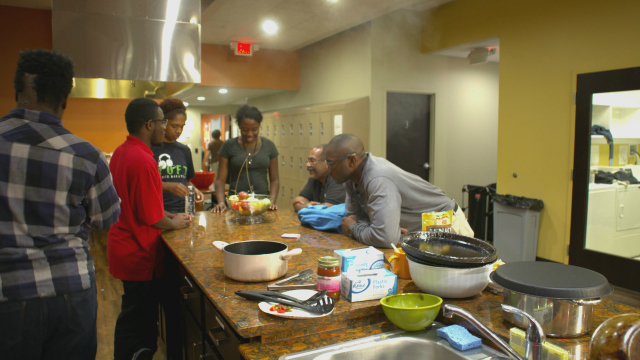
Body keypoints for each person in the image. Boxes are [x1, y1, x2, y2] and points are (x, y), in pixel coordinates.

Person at [0, 49, 121, 359]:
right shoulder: (86, 155)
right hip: (71, 289)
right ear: (65, 100)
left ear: (17, 90)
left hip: (8, 293)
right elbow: (106, 217)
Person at [108, 98, 192, 360]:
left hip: (124, 246)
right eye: (162, 122)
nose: (165, 127)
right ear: (149, 124)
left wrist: (166, 213)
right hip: (138, 252)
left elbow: (139, 202)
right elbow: (151, 218)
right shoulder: (144, 160)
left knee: (132, 316)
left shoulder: (123, 151)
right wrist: (173, 222)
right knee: (140, 326)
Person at [324, 134, 473, 248]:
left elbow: (383, 237)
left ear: (351, 161)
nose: (327, 168)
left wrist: (354, 229)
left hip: (446, 225)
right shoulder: (351, 180)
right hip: (417, 234)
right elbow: (354, 217)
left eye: (331, 163)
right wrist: (382, 231)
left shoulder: (378, 179)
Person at [211, 104, 279, 212]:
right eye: (245, 129)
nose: (250, 134)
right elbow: (220, 180)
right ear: (239, 127)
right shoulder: (229, 146)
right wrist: (220, 202)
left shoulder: (269, 146)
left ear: (259, 126)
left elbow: (275, 180)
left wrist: (272, 202)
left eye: (254, 129)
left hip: (262, 204)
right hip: (236, 204)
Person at [151, 98, 203, 213]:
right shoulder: (150, 149)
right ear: (163, 123)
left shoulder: (184, 150)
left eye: (182, 126)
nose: (179, 131)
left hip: (182, 210)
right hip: (159, 211)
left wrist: (194, 189)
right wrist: (165, 185)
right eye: (174, 126)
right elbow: (145, 185)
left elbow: (186, 180)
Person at [292, 144, 346, 212]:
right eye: (308, 161)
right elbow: (297, 200)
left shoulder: (336, 179)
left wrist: (308, 207)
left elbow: (326, 211)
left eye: (312, 161)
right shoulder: (315, 177)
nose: (307, 165)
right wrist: (306, 206)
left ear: (326, 163)